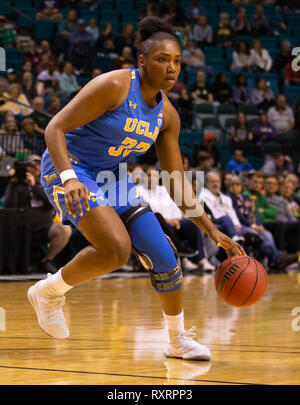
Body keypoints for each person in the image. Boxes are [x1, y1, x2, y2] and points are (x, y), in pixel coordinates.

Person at [27, 17, 244, 361]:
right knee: (116, 249)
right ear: (142, 61)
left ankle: (176, 340)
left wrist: (211, 230)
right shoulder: (113, 85)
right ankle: (49, 292)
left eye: (176, 62)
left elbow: (175, 180)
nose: (171, 68)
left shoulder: (167, 115)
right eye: (162, 60)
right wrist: (69, 179)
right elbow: (54, 128)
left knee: (164, 255)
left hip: (113, 176)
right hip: (70, 166)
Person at [4, 155, 72, 274]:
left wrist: (34, 186)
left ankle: (46, 260)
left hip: (44, 228)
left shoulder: (46, 183)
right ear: (27, 168)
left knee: (65, 230)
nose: (37, 167)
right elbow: (10, 206)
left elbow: (51, 203)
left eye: (39, 164)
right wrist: (14, 185)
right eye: (33, 165)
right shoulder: (16, 185)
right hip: (21, 229)